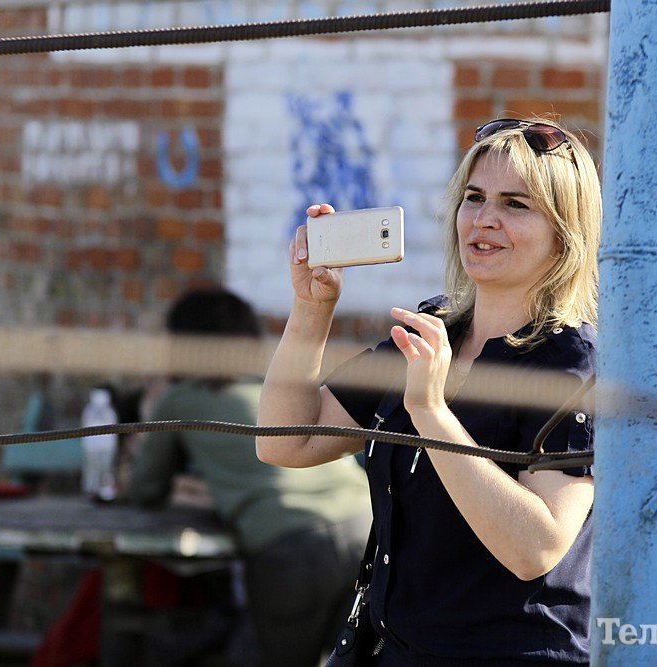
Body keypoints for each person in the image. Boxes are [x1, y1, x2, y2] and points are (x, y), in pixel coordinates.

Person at [257, 117, 601, 665]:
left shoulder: (571, 363)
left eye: (515, 204)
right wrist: (311, 309)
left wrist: (431, 412)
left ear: (565, 232)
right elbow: (286, 442)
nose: (484, 219)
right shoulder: (431, 331)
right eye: (474, 197)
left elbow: (535, 548)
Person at [127, 287, 373, 667]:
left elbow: (145, 489)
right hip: (364, 526)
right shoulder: (275, 393)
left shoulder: (179, 399)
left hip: (290, 544)